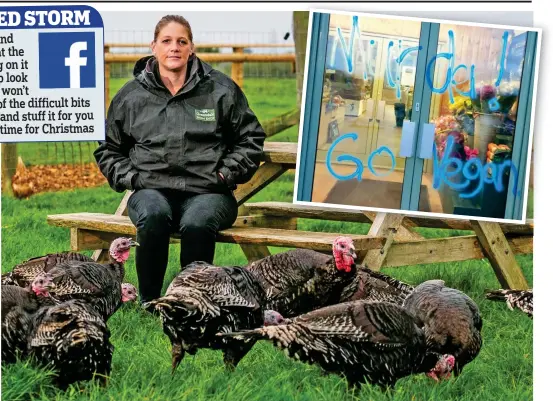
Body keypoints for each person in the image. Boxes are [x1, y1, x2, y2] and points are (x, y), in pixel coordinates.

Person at [94, 15, 266, 306]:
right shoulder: (131, 96)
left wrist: (225, 174)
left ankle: (191, 301)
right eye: (167, 41)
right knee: (153, 214)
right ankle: (150, 301)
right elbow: (108, 149)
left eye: (181, 41)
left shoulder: (220, 90)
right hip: (151, 189)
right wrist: (133, 178)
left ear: (191, 48)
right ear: (153, 47)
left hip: (209, 191)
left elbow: (251, 140)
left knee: (197, 222)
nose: (174, 48)